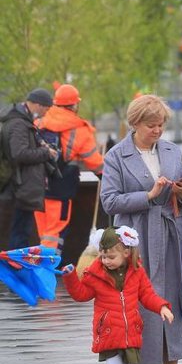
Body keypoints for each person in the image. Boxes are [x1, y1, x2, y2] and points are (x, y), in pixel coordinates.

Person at [100, 95, 182, 364]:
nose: (158, 130)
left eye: (161, 125)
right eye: (151, 125)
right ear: (135, 124)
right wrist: (148, 195)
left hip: (171, 238)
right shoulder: (116, 156)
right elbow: (110, 201)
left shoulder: (171, 150)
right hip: (135, 241)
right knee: (137, 309)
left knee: (173, 304)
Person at [62, 226, 174, 364]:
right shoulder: (94, 274)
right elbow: (81, 294)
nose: (106, 261)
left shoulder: (137, 272)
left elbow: (147, 295)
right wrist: (70, 278)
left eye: (111, 257)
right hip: (109, 330)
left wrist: (162, 307)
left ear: (126, 253)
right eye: (103, 256)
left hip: (131, 329)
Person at [34, 84, 104, 253]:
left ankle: (40, 269)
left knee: (43, 233)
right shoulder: (79, 128)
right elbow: (95, 163)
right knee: (54, 233)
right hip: (60, 188)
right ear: (75, 105)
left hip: (36, 187)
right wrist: (107, 173)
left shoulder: (39, 122)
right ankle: (49, 271)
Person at [0, 88, 57, 249]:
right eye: (46, 108)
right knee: (19, 234)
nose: (46, 112)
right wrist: (45, 152)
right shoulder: (19, 124)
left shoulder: (19, 120)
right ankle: (15, 271)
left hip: (18, 187)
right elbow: (19, 154)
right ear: (38, 105)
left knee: (20, 232)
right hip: (19, 189)